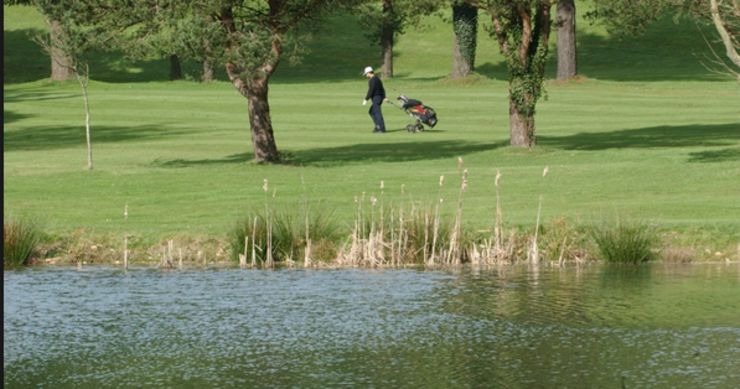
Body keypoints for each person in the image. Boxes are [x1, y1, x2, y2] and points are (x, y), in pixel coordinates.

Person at [362, 66, 388, 133]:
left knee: (377, 113)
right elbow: (382, 89)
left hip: (376, 98)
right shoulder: (377, 79)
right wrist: (384, 97)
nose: (366, 75)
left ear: (368, 73)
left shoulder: (372, 80)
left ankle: (381, 128)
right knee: (372, 112)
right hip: (379, 98)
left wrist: (366, 99)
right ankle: (378, 126)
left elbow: (371, 90)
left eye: (366, 74)